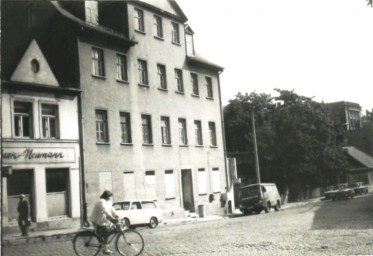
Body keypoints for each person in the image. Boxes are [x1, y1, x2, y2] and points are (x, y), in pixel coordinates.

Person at [90, 190, 119, 255]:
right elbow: (105, 211)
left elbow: (112, 209)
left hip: (102, 220)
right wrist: (112, 218)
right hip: (96, 220)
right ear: (107, 196)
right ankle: (105, 249)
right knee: (105, 231)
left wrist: (117, 216)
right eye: (110, 196)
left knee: (108, 230)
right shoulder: (101, 202)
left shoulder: (108, 202)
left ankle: (103, 243)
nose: (111, 198)